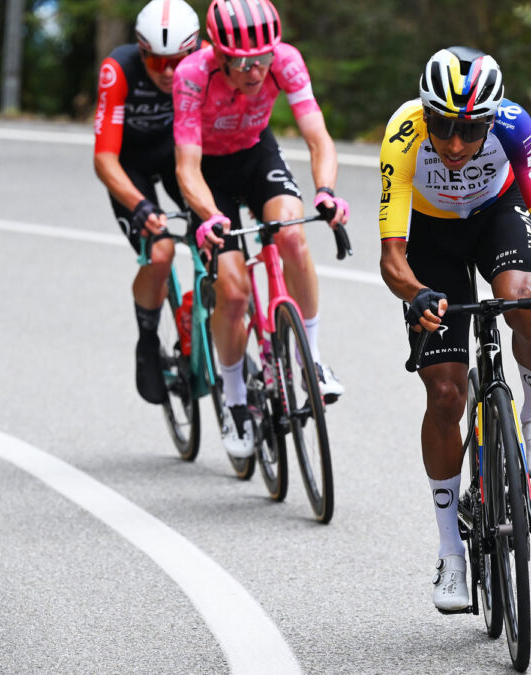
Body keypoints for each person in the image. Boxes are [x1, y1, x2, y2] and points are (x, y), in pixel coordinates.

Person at [378, 46, 531, 612]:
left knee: (524, 299)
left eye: (471, 130)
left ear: (491, 119)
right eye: (444, 126)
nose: (457, 144)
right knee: (445, 394)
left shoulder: (515, 125)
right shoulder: (403, 135)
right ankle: (450, 553)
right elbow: (392, 257)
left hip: (496, 215)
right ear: (426, 114)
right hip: (429, 235)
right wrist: (414, 293)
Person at [174, 0, 349, 460]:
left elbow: (318, 137)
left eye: (263, 59)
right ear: (220, 56)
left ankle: (310, 359)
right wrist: (210, 216)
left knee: (292, 233)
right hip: (209, 174)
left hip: (255, 155)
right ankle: (233, 400)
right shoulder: (192, 75)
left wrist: (326, 190)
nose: (256, 73)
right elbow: (186, 167)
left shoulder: (285, 61)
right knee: (232, 294)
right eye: (244, 63)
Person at [93, 0, 200, 405]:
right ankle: (148, 339)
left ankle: (201, 307)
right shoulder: (118, 69)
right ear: (140, 51)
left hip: (179, 160)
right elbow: (104, 158)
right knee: (160, 252)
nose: (170, 72)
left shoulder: (206, 68)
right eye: (156, 61)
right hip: (130, 165)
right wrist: (139, 206)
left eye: (178, 60)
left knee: (220, 237)